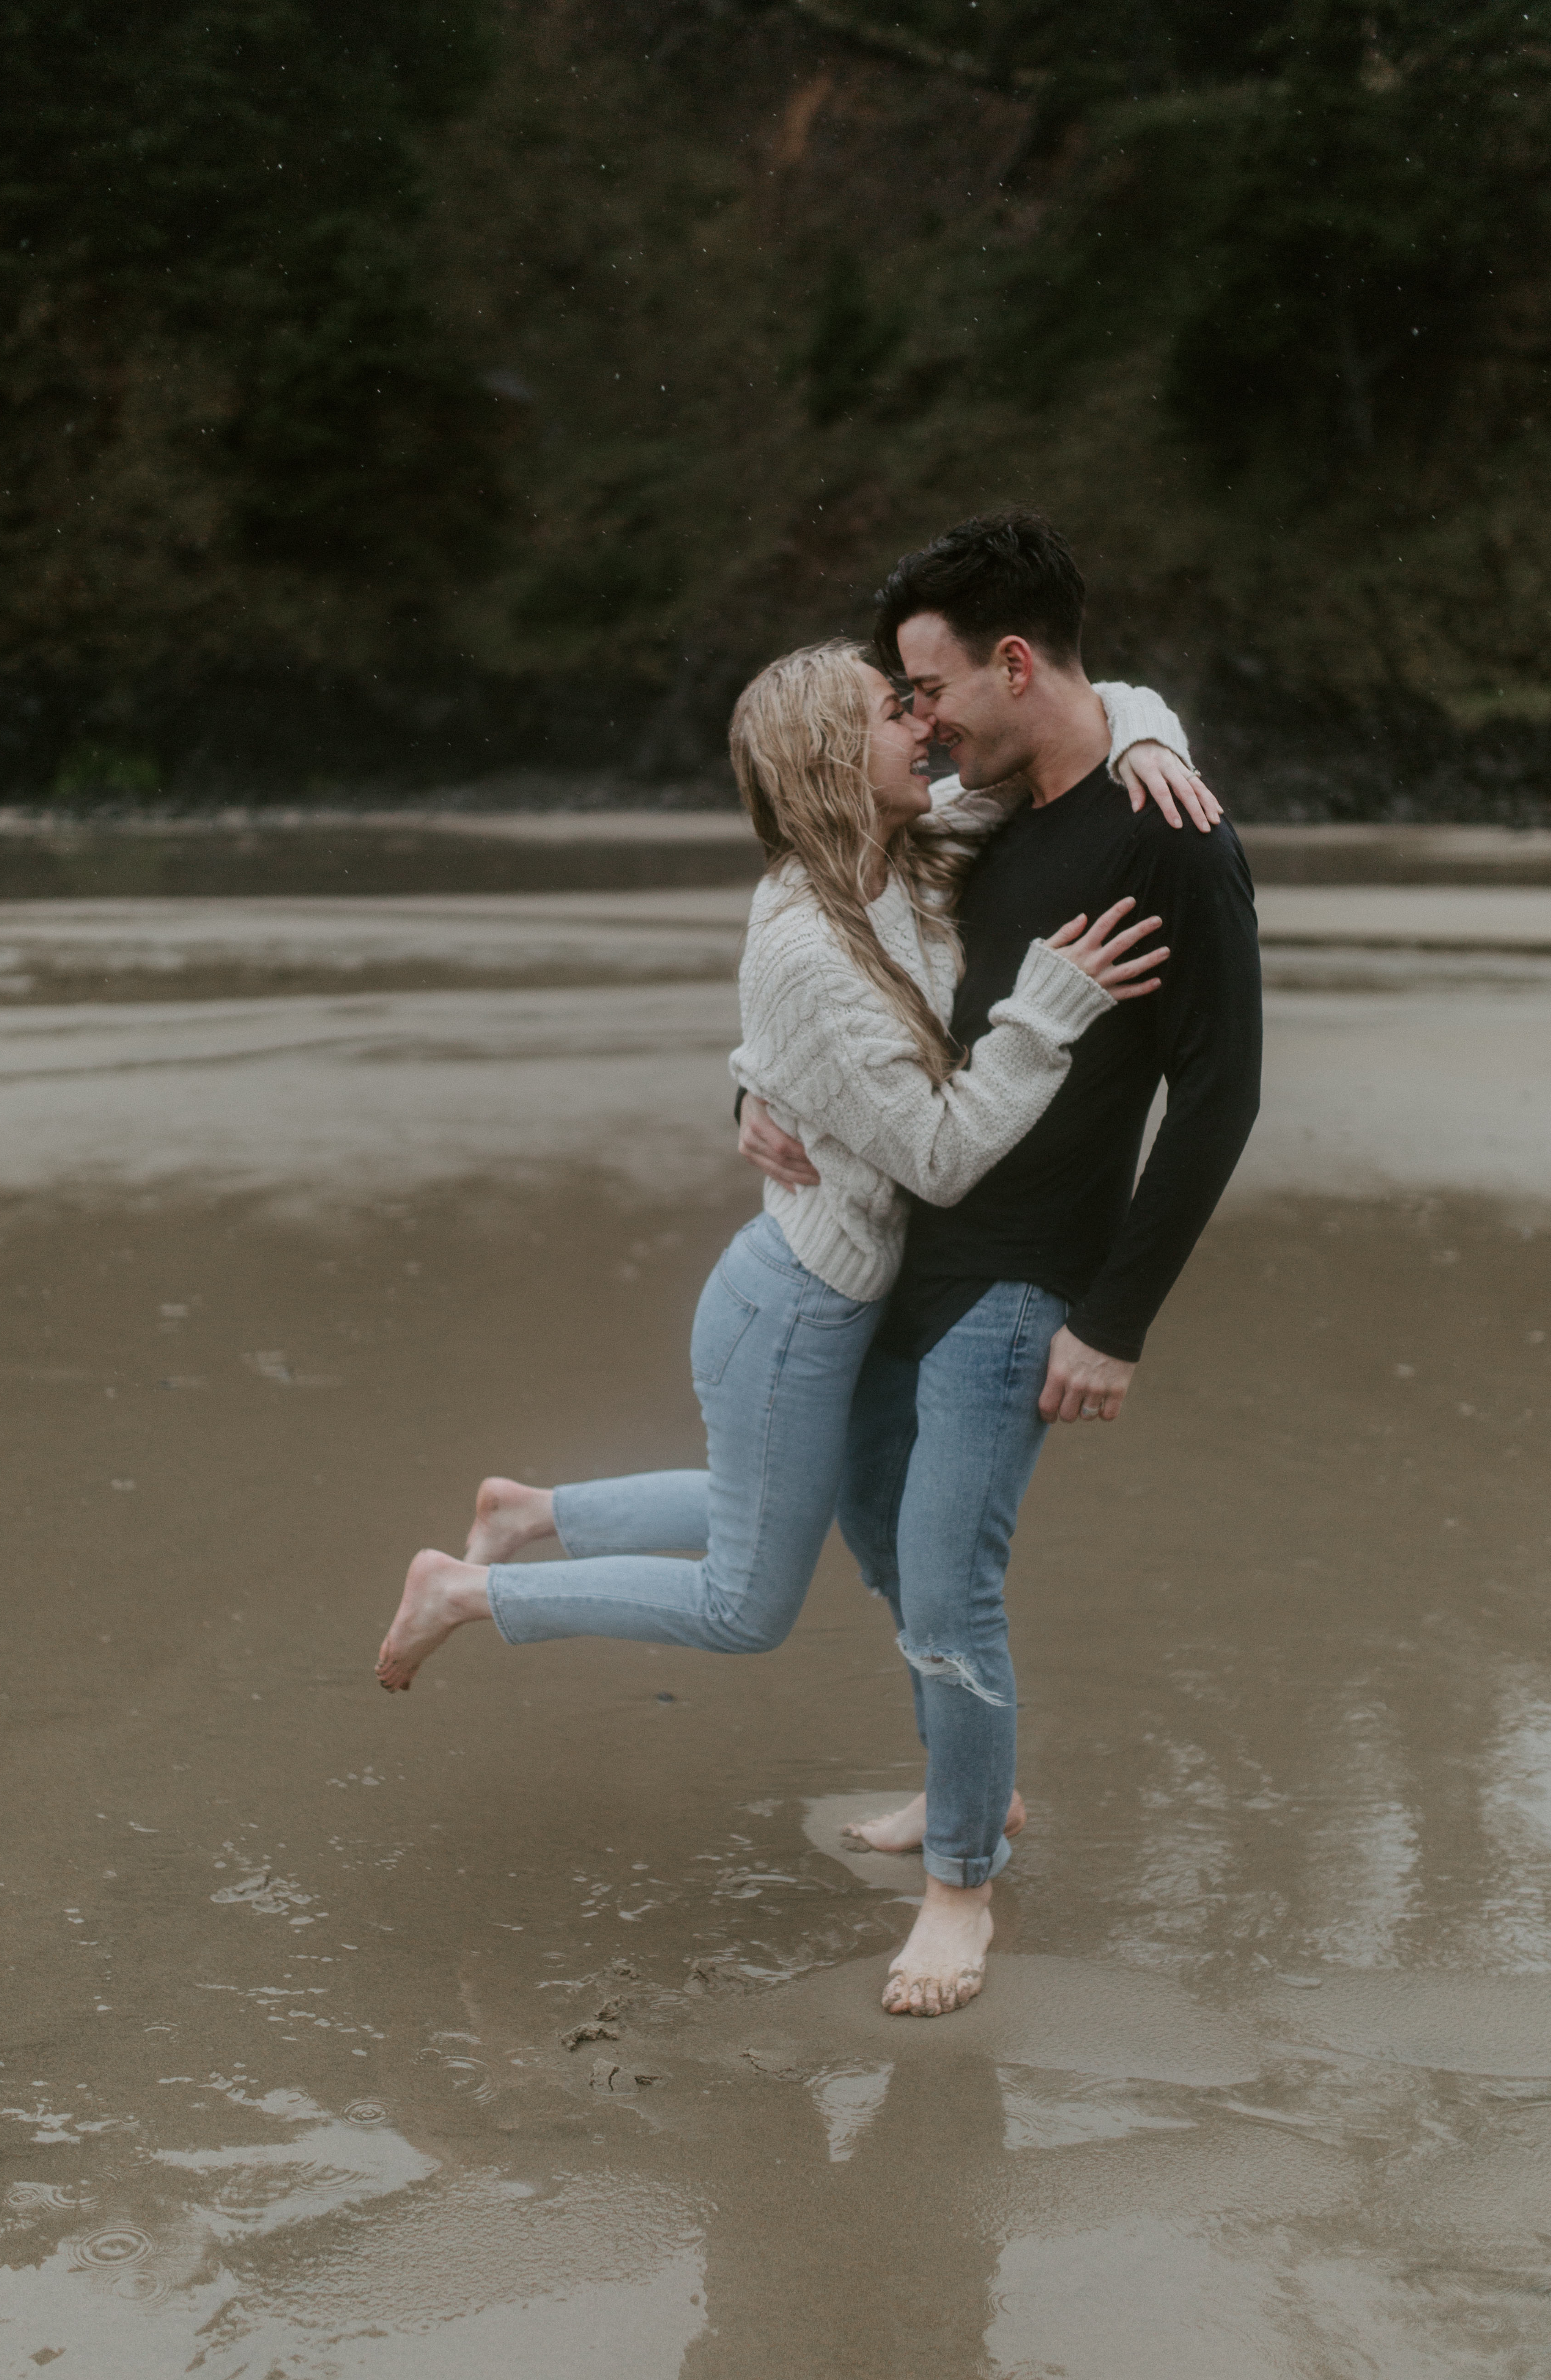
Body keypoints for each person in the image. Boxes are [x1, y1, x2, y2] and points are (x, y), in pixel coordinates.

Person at [373, 643, 1206, 1783]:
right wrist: (1041, 1017)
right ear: (829, 758)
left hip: (820, 1293)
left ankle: (529, 1509)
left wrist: (1152, 734)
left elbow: (1068, 715)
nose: (925, 723)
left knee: (764, 1504)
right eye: (891, 711)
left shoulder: (902, 853)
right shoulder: (810, 936)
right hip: (793, 1310)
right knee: (743, 1602)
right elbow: (939, 1154)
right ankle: (467, 1587)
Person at [739, 510, 1263, 2017]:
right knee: (874, 1527)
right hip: (906, 1240)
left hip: (1026, 1278)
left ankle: (959, 1885)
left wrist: (1115, 1321)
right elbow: (835, 952)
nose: (915, 721)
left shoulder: (1169, 833)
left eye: (926, 688)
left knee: (948, 1584)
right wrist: (747, 1084)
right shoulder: (985, 812)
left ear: (1010, 661)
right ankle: (970, 1781)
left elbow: (1215, 1093)